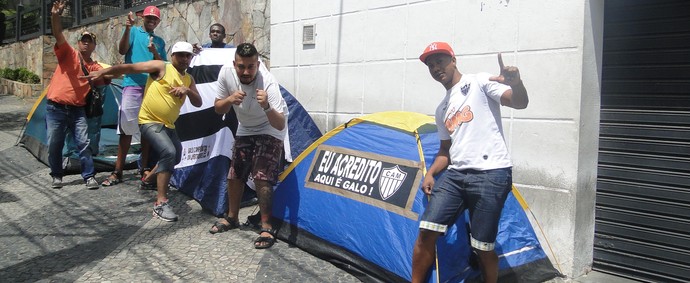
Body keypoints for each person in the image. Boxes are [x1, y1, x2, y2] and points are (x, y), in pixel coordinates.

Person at [411, 42, 529, 283]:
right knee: (426, 231)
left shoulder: (479, 81)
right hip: (456, 176)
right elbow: (446, 150)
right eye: (430, 65)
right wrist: (431, 172)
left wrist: (516, 84)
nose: (436, 67)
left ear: (453, 60)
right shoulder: (442, 108)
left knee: (482, 247)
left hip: (491, 173)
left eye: (440, 61)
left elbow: (518, 102)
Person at [83, 41, 202, 222]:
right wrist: (103, 72)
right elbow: (131, 68)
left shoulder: (188, 79)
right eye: (181, 55)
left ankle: (148, 181)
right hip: (149, 122)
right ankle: (160, 204)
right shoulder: (161, 66)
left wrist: (187, 90)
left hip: (169, 125)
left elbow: (198, 102)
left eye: (188, 56)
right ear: (173, 56)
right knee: (168, 153)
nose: (184, 59)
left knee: (176, 156)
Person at [209, 43, 288, 250]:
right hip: (246, 126)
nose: (245, 72)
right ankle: (232, 217)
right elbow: (218, 108)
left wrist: (267, 106)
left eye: (251, 67)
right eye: (241, 66)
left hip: (271, 127)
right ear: (234, 64)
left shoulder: (268, 82)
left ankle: (266, 226)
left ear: (258, 65)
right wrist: (229, 99)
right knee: (235, 173)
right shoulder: (226, 73)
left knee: (261, 174)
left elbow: (280, 123)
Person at [45, 0, 109, 190]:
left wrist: (105, 73)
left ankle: (89, 176)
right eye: (83, 40)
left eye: (90, 41)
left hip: (78, 110)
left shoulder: (96, 67)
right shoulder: (68, 54)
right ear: (79, 43)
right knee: (54, 143)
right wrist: (56, 15)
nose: (86, 43)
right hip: (55, 107)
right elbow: (58, 34)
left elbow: (114, 74)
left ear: (94, 46)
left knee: (83, 142)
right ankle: (57, 174)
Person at [102, 5, 167, 187]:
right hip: (132, 85)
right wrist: (128, 27)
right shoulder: (133, 32)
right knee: (126, 130)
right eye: (148, 18)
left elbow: (162, 65)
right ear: (143, 18)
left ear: (158, 22)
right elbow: (122, 51)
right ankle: (118, 171)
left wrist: (155, 51)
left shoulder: (160, 41)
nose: (151, 21)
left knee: (147, 129)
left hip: (151, 88)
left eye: (154, 19)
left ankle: (144, 168)